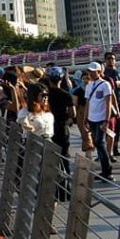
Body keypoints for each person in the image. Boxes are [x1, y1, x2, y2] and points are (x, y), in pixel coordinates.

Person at [85, 61, 118, 181]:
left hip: (101, 118)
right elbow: (88, 103)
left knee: (100, 143)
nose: (91, 74)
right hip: (92, 119)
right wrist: (85, 119)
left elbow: (108, 103)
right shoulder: (89, 86)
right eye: (89, 71)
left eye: (93, 72)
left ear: (99, 72)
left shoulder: (105, 85)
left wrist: (106, 120)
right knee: (97, 143)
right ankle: (105, 170)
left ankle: (108, 171)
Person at [47, 67, 76, 200]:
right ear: (61, 78)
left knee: (50, 159)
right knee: (64, 157)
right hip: (62, 128)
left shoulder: (46, 94)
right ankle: (66, 190)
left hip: (49, 127)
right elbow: (72, 114)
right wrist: (66, 122)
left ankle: (52, 190)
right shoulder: (66, 94)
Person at [103, 52, 120, 158]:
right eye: (109, 58)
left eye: (113, 58)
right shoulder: (103, 72)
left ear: (115, 60)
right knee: (108, 126)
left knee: (118, 126)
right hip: (107, 103)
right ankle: (107, 149)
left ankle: (115, 147)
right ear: (105, 60)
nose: (111, 60)